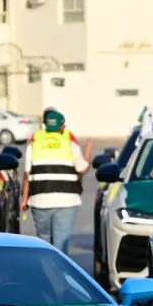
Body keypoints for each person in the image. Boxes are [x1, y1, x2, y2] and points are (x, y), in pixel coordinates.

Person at [23, 107, 92, 256]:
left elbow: (27, 175)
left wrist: (24, 199)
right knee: (60, 245)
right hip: (66, 201)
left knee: (44, 242)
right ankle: (58, 269)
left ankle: (44, 269)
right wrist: (88, 151)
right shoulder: (68, 141)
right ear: (61, 126)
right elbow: (83, 169)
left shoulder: (35, 141)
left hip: (40, 201)